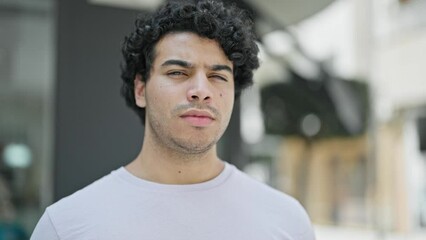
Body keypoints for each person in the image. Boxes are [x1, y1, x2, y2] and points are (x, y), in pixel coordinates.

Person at [30, 0, 315, 239]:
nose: (201, 92)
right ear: (141, 89)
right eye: (178, 72)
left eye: (217, 76)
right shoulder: (65, 227)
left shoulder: (286, 222)